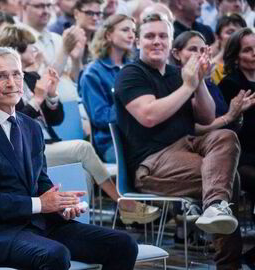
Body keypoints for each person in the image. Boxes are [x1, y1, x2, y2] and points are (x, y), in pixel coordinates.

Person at [0, 46, 138, 269]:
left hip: (38, 223)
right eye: (0, 76)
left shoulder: (30, 126)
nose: (11, 83)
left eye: (16, 74)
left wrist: (61, 205)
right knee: (55, 255)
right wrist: (41, 204)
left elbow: (40, 180)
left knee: (123, 244)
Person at [0, 25, 160, 225]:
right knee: (82, 148)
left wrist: (52, 96)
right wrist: (37, 99)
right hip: (24, 150)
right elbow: (15, 125)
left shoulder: (32, 77)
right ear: (16, 50)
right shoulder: (7, 86)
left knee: (85, 172)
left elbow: (56, 119)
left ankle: (81, 224)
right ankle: (123, 203)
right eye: (30, 46)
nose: (36, 50)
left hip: (46, 143)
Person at [114, 13, 242, 268]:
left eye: (162, 35)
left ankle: (215, 209)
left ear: (170, 42)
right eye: (150, 36)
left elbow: (206, 118)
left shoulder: (176, 73)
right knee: (230, 179)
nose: (156, 41)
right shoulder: (130, 74)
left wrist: (199, 83)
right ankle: (229, 263)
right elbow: (149, 116)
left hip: (188, 145)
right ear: (138, 41)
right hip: (151, 163)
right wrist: (187, 86)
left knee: (226, 135)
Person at [80, 14, 136, 164]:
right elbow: (100, 117)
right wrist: (133, 105)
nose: (131, 35)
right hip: (112, 143)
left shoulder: (134, 66)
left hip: (139, 136)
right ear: (109, 35)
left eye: (133, 31)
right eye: (125, 30)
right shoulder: (93, 73)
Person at [219, 27, 255, 210]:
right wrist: (239, 112)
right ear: (236, 57)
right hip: (242, 157)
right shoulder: (229, 85)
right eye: (248, 50)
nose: (254, 53)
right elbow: (229, 130)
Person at [210, 13, 246, 85]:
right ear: (218, 37)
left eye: (240, 32)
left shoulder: (251, 62)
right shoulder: (212, 68)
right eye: (230, 32)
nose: (236, 36)